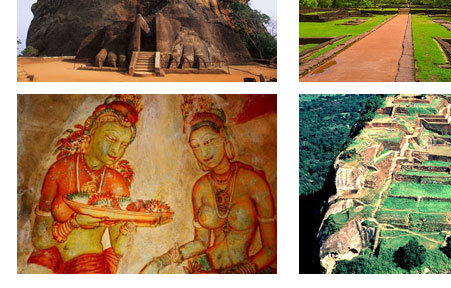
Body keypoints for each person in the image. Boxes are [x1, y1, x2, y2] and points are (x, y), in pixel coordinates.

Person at [142, 106, 276, 273]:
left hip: (244, 269)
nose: (204, 152)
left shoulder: (253, 182)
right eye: (196, 146)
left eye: (208, 141)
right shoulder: (201, 188)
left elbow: (271, 249)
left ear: (223, 137)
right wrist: (162, 261)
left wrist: (242, 273)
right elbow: (201, 242)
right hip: (206, 266)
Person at [27, 95, 142, 273]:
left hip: (88, 262)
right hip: (48, 256)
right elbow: (40, 240)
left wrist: (127, 230)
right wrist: (72, 223)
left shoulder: (117, 184)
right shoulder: (60, 170)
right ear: (92, 132)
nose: (116, 150)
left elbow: (119, 248)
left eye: (123, 144)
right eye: (111, 139)